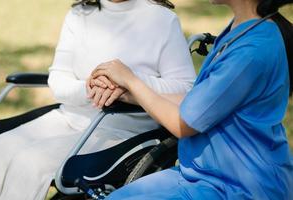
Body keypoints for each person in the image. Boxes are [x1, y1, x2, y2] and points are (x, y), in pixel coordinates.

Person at [0, 0, 196, 199]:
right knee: (0, 146)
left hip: (123, 129)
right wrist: (91, 87)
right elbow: (58, 79)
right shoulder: (80, 14)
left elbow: (185, 88)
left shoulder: (161, 19)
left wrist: (129, 82)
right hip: (70, 116)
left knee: (29, 162)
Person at [90, 0, 293, 199]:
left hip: (240, 186)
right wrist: (127, 94)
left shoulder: (252, 50)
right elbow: (200, 101)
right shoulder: (241, 29)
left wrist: (131, 80)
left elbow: (183, 124)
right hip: (203, 174)